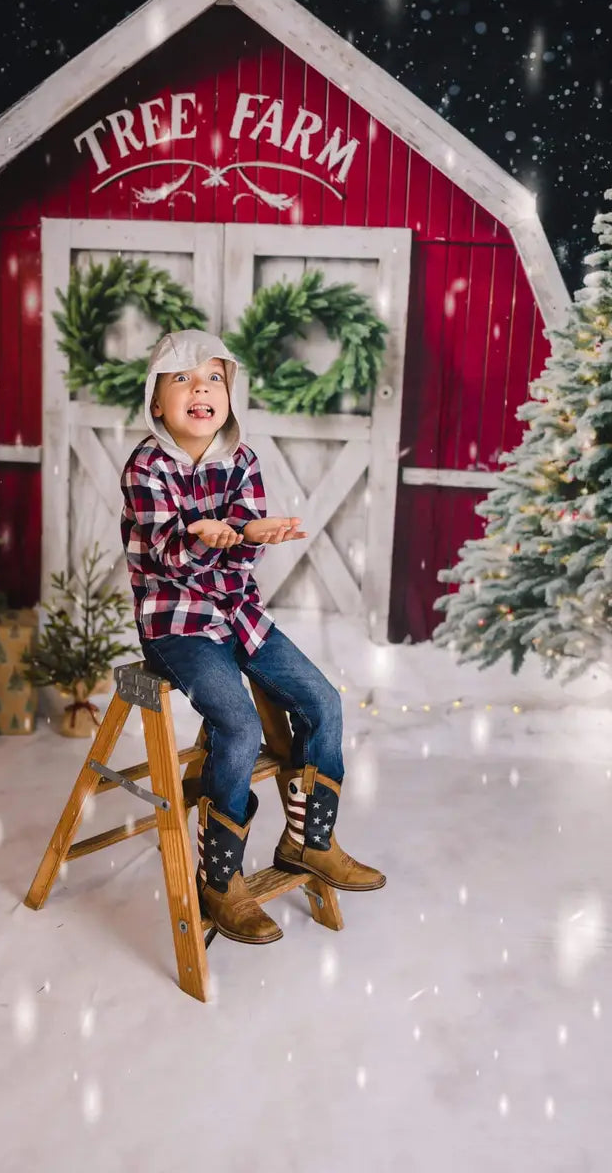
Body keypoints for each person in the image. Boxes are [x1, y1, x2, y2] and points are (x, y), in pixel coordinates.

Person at [120, 329, 386, 946]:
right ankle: (220, 878)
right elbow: (166, 556)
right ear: (157, 403)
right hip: (176, 622)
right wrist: (205, 537)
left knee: (322, 701)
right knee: (238, 725)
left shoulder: (242, 460)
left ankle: (308, 842)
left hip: (237, 613)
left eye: (212, 379)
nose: (199, 390)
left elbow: (242, 565)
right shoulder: (146, 466)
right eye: (182, 379)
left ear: (229, 397)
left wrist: (247, 536)